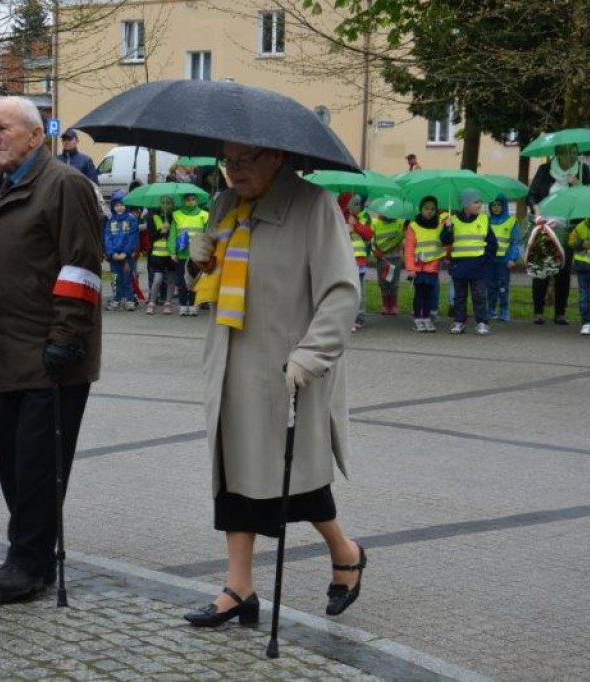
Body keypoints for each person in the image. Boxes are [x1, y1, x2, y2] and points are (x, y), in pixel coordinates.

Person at [182, 141, 365, 627]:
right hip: (231, 363)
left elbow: (343, 293)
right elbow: (213, 285)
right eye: (228, 161)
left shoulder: (314, 206)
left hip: (289, 367)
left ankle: (346, 553)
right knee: (234, 478)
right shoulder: (225, 205)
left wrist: (311, 355)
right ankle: (238, 587)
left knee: (299, 483)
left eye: (245, 161)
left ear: (278, 157)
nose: (234, 171)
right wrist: (199, 261)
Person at [0, 95, 102, 601]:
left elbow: (82, 265)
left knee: (38, 466)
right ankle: (25, 553)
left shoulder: (64, 185)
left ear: (35, 135)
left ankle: (30, 562)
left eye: (2, 129)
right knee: (10, 462)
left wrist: (65, 338)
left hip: (50, 354)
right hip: (3, 349)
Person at [527, 143, 590, 325]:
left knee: (563, 269)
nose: (571, 156)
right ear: (557, 153)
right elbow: (531, 195)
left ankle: (560, 313)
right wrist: (536, 209)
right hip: (545, 224)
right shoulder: (545, 169)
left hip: (568, 227)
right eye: (567, 152)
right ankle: (538, 312)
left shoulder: (582, 170)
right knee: (541, 267)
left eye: (574, 152)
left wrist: (578, 185)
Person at [441, 188, 496, 335]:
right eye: (476, 202)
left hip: (479, 266)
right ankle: (459, 321)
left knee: (479, 296)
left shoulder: (484, 220)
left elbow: (492, 243)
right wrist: (447, 230)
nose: (480, 204)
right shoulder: (452, 221)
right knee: (459, 296)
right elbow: (444, 241)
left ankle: (482, 322)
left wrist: (486, 260)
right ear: (466, 204)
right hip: (459, 266)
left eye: (480, 201)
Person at [404, 196, 447, 332]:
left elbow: (446, 243)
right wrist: (410, 268)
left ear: (436, 211)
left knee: (429, 293)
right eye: (426, 208)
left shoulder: (440, 226)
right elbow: (409, 249)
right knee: (419, 294)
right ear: (421, 209)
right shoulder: (414, 226)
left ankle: (427, 317)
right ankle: (418, 318)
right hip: (418, 266)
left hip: (432, 267)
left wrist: (449, 229)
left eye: (432, 209)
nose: (429, 211)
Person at [169, 192, 210, 316]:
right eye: (187, 199)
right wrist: (172, 251)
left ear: (197, 201)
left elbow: (207, 234)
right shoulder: (177, 215)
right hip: (182, 253)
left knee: (195, 280)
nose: (190, 202)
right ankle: (183, 304)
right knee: (181, 280)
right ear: (183, 201)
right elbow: (173, 234)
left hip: (197, 253)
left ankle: (193, 304)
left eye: (193, 199)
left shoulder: (204, 215)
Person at [485, 195, 521, 322]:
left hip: (504, 260)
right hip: (489, 260)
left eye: (499, 205)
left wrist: (512, 258)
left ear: (504, 206)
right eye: (493, 205)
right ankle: (490, 309)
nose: (496, 208)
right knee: (490, 286)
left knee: (502, 286)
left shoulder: (511, 221)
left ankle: (504, 310)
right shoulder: (486, 221)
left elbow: (515, 241)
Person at [103, 189, 140, 311]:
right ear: (113, 206)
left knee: (127, 278)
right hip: (114, 256)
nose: (120, 208)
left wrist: (125, 252)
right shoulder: (110, 220)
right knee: (115, 279)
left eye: (122, 205)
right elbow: (107, 237)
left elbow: (132, 237)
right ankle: (117, 299)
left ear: (126, 206)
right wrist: (112, 253)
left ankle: (129, 300)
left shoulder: (131, 219)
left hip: (126, 256)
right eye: (117, 205)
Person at [340, 193, 371, 331]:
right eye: (356, 204)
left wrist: (356, 225)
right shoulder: (339, 220)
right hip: (347, 263)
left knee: (360, 293)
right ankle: (347, 319)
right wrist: (346, 229)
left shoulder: (358, 220)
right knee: (348, 293)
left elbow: (369, 234)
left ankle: (359, 317)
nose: (359, 207)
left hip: (361, 263)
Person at [145, 195, 178, 315]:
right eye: (163, 202)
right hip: (157, 254)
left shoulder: (174, 216)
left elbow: (177, 235)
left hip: (171, 254)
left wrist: (170, 230)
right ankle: (152, 302)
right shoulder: (152, 216)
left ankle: (168, 303)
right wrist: (162, 231)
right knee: (157, 279)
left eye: (168, 203)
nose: (165, 205)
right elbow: (151, 236)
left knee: (171, 279)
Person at [370, 209, 404, 315]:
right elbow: (371, 240)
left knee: (394, 283)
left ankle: (394, 305)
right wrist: (376, 252)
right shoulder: (375, 223)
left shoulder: (399, 222)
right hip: (382, 258)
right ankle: (385, 305)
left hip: (395, 258)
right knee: (383, 283)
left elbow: (403, 237)